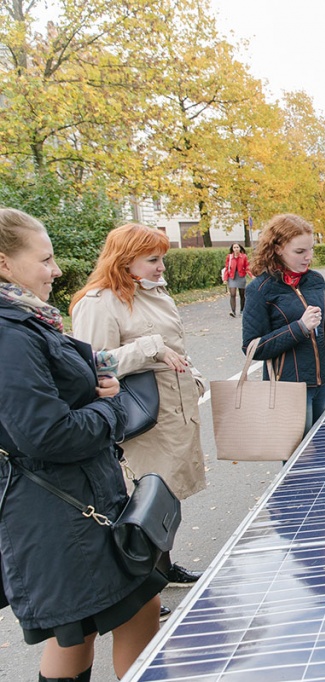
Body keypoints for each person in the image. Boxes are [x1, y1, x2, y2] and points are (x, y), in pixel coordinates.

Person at [0, 208, 162, 681]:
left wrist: (96, 380)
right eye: (45, 259)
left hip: (74, 503)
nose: (56, 270)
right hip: (57, 514)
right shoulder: (9, 333)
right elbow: (46, 433)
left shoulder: (25, 318)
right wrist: (112, 410)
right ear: (4, 263)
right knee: (84, 630)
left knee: (87, 629)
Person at [70, 223, 207, 594]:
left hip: (174, 411)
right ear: (125, 260)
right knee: (145, 498)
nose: (161, 267)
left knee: (168, 495)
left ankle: (162, 568)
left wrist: (193, 377)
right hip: (140, 418)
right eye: (152, 259)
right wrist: (148, 348)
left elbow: (175, 346)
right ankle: (143, 588)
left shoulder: (154, 293)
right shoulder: (99, 302)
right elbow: (91, 366)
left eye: (162, 258)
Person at [242, 214, 325, 433]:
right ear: (278, 249)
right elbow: (252, 347)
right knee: (298, 459)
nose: (308, 257)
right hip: (288, 388)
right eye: (300, 251)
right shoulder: (260, 288)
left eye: (311, 249)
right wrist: (299, 328)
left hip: (321, 381)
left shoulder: (315, 280)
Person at [223, 242, 249, 317]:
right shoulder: (229, 257)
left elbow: (247, 266)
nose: (236, 249)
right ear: (232, 249)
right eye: (234, 247)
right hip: (232, 276)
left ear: (240, 248)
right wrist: (225, 278)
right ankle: (233, 311)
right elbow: (227, 268)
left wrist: (251, 274)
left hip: (241, 276)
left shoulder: (244, 256)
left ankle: (242, 310)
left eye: (237, 247)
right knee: (233, 294)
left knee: (242, 294)